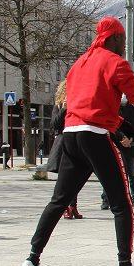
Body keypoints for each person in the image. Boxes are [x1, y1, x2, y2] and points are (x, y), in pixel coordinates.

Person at [22, 16, 134, 266]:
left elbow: (86, 105)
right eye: (122, 40)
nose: (124, 46)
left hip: (70, 137)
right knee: (122, 205)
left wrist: (120, 124)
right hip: (94, 138)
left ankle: (31, 261)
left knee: (58, 202)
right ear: (114, 38)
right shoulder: (115, 62)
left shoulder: (79, 64)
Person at [100, 95, 134, 210]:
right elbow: (110, 125)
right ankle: (106, 200)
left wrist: (131, 138)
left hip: (131, 147)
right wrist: (121, 137)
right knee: (111, 174)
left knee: (133, 174)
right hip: (114, 145)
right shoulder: (111, 108)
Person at [47, 80, 82, 219]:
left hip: (76, 142)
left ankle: (73, 205)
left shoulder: (79, 104)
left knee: (76, 177)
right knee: (65, 178)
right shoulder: (59, 105)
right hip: (63, 143)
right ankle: (65, 206)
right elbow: (54, 125)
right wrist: (64, 109)